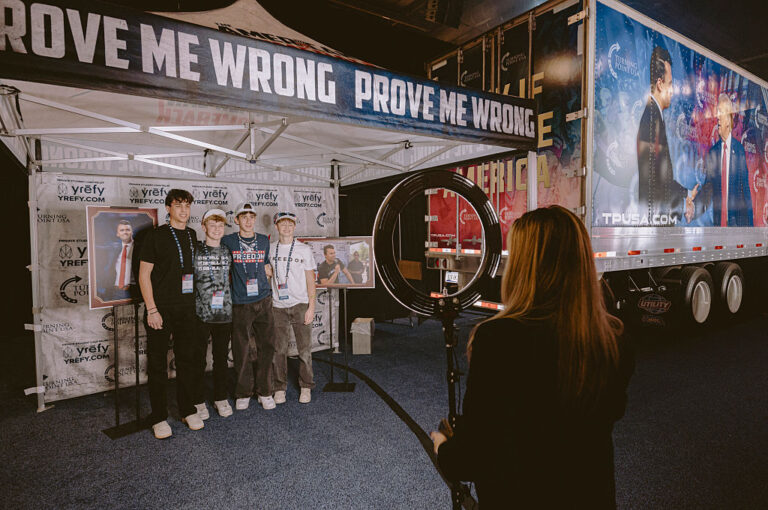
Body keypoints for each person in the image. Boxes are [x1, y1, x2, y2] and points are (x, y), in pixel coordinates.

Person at [430, 206, 634, 508]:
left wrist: (442, 446)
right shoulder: (614, 339)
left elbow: (471, 460)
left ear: (525, 267)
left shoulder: (499, 339)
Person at [139, 189, 205, 439]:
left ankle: (187, 409)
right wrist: (152, 309)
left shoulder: (191, 234)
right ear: (168, 208)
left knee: (187, 360)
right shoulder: (155, 236)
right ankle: (158, 416)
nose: (183, 210)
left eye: (187, 205)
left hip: (186, 308)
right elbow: (144, 275)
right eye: (178, 205)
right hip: (161, 309)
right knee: (157, 364)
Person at [221, 202, 276, 411]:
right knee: (241, 349)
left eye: (251, 216)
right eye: (243, 216)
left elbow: (266, 265)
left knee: (267, 347)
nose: (248, 220)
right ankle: (243, 391)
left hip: (263, 299)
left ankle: (265, 391)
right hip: (240, 302)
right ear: (236, 220)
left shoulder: (263, 241)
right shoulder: (228, 241)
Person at [636, 45, 693, 224]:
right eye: (670, 84)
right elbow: (657, 182)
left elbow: (662, 177)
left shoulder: (654, 116)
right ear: (660, 84)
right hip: (656, 223)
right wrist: (685, 202)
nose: (673, 90)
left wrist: (687, 193)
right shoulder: (651, 120)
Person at [269, 212, 317, 404]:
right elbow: (268, 274)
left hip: (300, 304)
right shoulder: (270, 249)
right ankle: (279, 387)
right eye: (283, 224)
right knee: (278, 350)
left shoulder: (304, 250)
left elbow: (310, 280)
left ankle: (306, 386)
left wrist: (311, 306)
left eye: (290, 224)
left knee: (304, 350)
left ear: (295, 226)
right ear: (276, 226)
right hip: (277, 306)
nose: (287, 227)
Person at [193, 209, 234, 419]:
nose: (217, 229)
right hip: (200, 313)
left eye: (220, 226)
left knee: (220, 359)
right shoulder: (196, 251)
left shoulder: (227, 251)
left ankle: (220, 397)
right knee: (198, 359)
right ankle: (198, 401)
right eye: (212, 225)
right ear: (204, 227)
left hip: (224, 313)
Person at [695, 93, 754, 226]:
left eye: (720, 112)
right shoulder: (713, 152)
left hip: (736, 225)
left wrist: (750, 229)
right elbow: (708, 190)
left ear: (728, 119)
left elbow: (745, 191)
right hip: (718, 226)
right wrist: (693, 208)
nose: (717, 117)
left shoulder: (739, 151)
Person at [98, 220, 135, 301]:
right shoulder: (114, 248)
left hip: (133, 292)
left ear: (132, 232)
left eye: (127, 230)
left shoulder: (140, 248)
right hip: (115, 292)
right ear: (117, 234)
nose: (125, 232)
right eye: (122, 230)